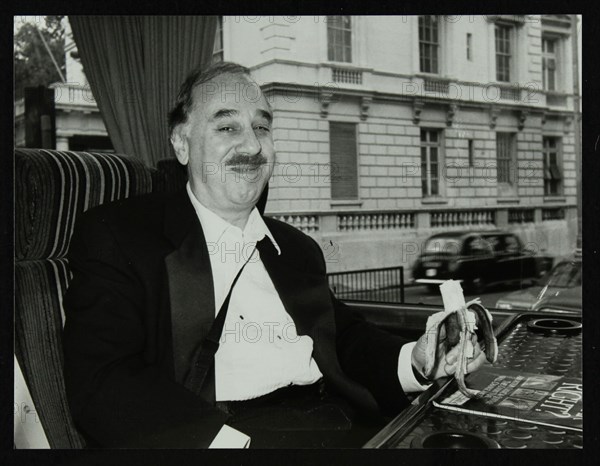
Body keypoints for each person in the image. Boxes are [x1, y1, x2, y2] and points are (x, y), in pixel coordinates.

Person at [62, 61, 486, 449]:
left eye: (262, 128)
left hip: (342, 425)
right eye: (227, 128)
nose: (252, 146)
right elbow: (103, 380)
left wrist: (416, 359)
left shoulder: (296, 249)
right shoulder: (120, 235)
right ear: (182, 143)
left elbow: (345, 338)